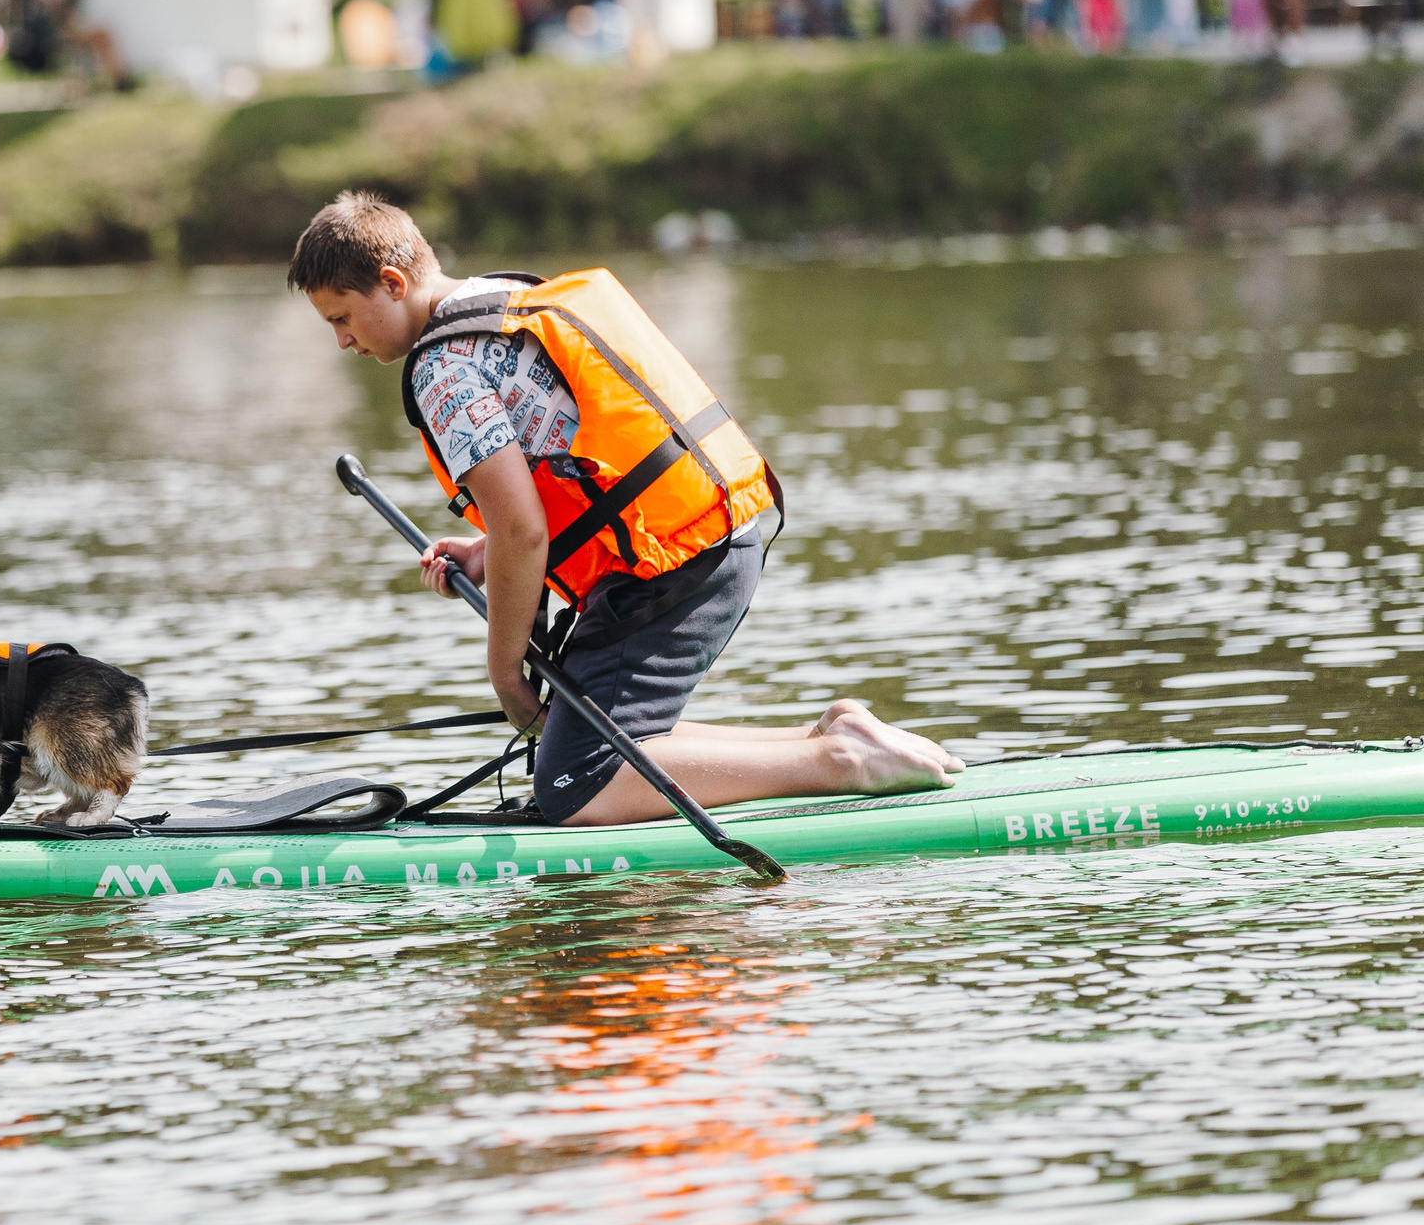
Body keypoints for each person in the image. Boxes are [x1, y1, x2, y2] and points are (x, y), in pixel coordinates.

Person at [288, 192, 964, 827]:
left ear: (393, 283)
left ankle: (839, 762)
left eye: (341, 317)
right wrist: (484, 551)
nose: (341, 340)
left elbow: (523, 530)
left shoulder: (441, 369)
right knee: (584, 734)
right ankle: (827, 735)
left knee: (574, 783)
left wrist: (505, 673)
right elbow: (537, 502)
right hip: (712, 535)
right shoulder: (502, 299)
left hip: (671, 564)